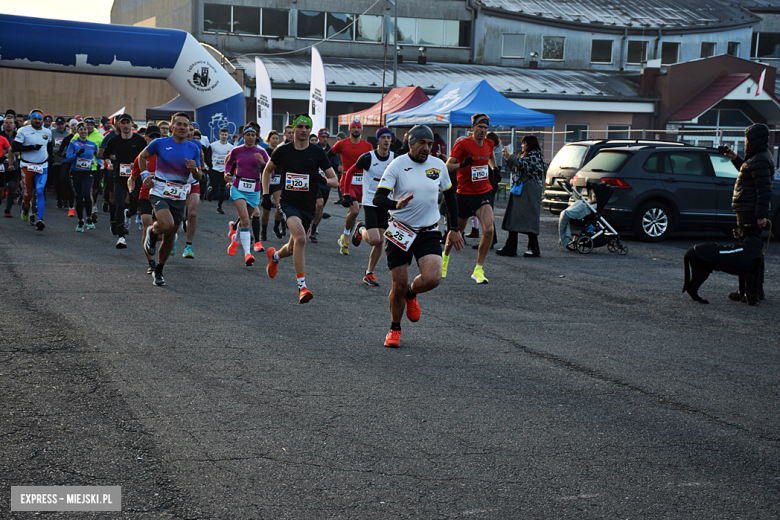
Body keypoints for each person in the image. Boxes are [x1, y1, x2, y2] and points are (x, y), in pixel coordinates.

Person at [372, 125, 463, 348]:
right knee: (398, 284)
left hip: (428, 230)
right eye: (422, 143)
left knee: (433, 278)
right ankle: (395, 328)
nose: (426, 148)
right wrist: (397, 204)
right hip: (400, 230)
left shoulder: (438, 165)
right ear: (411, 143)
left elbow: (450, 197)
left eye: (430, 144)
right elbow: (378, 198)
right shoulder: (398, 164)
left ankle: (411, 294)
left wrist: (454, 228)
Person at [261, 114, 338, 303]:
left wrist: (323, 180)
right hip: (288, 202)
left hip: (308, 205)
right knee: (302, 239)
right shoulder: (283, 151)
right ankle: (302, 287)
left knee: (293, 245)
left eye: (307, 127)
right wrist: (265, 195)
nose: (303, 130)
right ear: (293, 129)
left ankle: (276, 256)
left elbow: (335, 181)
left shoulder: (318, 152)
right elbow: (267, 170)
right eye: (300, 126)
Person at [138, 111, 201, 286]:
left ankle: (159, 269)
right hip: (159, 190)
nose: (182, 127)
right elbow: (141, 157)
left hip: (179, 193)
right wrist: (144, 175)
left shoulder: (193, 148)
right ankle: (152, 231)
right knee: (165, 225)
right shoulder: (160, 143)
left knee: (171, 236)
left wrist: (194, 169)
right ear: (172, 127)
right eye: (179, 124)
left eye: (185, 125)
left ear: (189, 128)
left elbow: (199, 176)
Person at [721, 123, 774, 302]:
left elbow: (764, 189)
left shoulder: (759, 159)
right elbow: (749, 174)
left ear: (753, 140)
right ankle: (754, 290)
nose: (745, 142)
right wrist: (735, 158)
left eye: (746, 139)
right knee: (754, 251)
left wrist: (760, 215)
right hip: (749, 210)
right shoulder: (758, 157)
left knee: (747, 252)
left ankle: (749, 292)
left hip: (750, 212)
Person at [442, 113, 496, 284]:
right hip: (464, 194)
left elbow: (491, 156)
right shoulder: (463, 144)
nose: (483, 130)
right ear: (472, 128)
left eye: (486, 128)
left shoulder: (489, 143)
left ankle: (478, 270)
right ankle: (444, 258)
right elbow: (448, 166)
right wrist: (463, 164)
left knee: (489, 230)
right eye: (480, 127)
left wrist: (494, 170)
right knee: (455, 233)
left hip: (482, 193)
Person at [348, 127, 395, 286]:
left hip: (386, 202)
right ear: (378, 140)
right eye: (383, 138)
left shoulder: (395, 159)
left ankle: (369, 273)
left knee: (381, 241)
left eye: (389, 138)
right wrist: (346, 193)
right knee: (374, 240)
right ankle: (361, 228)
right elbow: (349, 173)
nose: (387, 141)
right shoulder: (368, 158)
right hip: (370, 201)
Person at [224, 127, 269, 266]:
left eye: (253, 135)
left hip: (254, 189)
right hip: (238, 186)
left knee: (246, 220)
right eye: (247, 135)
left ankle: (235, 240)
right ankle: (247, 254)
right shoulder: (236, 150)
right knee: (244, 219)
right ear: (243, 137)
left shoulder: (261, 151)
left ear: (256, 137)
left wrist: (262, 163)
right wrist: (226, 174)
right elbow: (229, 163)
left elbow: (270, 172)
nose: (250, 137)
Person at [102, 113, 147, 249]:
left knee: (134, 204)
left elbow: (146, 156)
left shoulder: (139, 140)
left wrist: (138, 164)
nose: (126, 126)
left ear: (132, 124)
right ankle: (121, 237)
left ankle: (130, 213)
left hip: (135, 178)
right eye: (123, 123)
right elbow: (105, 154)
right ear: (119, 125)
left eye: (128, 123)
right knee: (119, 205)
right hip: (119, 178)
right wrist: (109, 162)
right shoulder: (114, 140)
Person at [328, 120, 373, 254]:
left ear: (361, 130)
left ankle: (344, 239)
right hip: (347, 181)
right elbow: (327, 156)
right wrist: (326, 170)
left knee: (353, 212)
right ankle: (346, 235)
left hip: (362, 183)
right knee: (354, 211)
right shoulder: (341, 144)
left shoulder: (368, 145)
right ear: (350, 130)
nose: (356, 130)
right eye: (353, 128)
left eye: (358, 128)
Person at [499, 135, 546, 257]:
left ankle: (532, 249)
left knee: (528, 218)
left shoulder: (535, 155)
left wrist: (511, 156)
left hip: (529, 190)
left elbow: (524, 166)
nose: (522, 145)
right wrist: (508, 159)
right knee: (515, 217)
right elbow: (516, 169)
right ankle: (511, 247)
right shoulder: (524, 155)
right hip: (521, 189)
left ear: (529, 144)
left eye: (524, 143)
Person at [129, 125, 162, 274]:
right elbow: (132, 178)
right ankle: (151, 262)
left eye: (157, 137)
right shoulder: (142, 157)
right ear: (146, 138)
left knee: (162, 231)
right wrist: (131, 191)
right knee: (147, 227)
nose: (154, 139)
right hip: (145, 196)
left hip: (163, 196)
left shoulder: (165, 155)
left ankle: (157, 241)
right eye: (152, 137)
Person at [13, 110, 53, 230]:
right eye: (35, 119)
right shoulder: (23, 131)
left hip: (42, 166)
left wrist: (49, 159)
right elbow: (15, 147)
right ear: (31, 120)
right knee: (27, 194)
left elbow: (49, 147)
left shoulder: (47, 132)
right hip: (27, 165)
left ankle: (40, 218)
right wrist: (32, 147)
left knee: (40, 192)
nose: (37, 121)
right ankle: (26, 207)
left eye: (40, 119)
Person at [65, 122, 98, 232]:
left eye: (85, 130)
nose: (83, 132)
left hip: (87, 173)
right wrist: (77, 154)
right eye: (81, 130)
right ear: (78, 132)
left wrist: (101, 163)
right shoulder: (73, 144)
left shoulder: (92, 144)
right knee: (79, 196)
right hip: (75, 173)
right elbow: (68, 159)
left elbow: (99, 156)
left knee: (86, 193)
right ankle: (80, 220)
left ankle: (88, 218)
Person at [309, 128, 336, 243]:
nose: (325, 139)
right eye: (323, 137)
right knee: (318, 204)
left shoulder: (332, 150)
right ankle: (312, 229)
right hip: (315, 182)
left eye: (327, 137)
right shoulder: (314, 149)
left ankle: (314, 227)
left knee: (321, 207)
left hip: (326, 183)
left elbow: (335, 165)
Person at [260, 129, 282, 240]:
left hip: (278, 182)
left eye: (277, 139)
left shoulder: (281, 151)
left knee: (280, 206)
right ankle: (263, 231)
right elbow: (262, 168)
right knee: (266, 209)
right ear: (269, 140)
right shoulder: (264, 151)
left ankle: (276, 227)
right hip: (266, 182)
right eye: (273, 138)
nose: (275, 140)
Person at [209, 127, 234, 214]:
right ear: (219, 135)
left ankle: (219, 207)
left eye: (225, 135)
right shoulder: (213, 145)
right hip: (215, 169)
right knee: (215, 189)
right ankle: (210, 192)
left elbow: (233, 159)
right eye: (222, 135)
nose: (224, 136)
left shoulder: (231, 147)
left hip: (224, 170)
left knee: (223, 189)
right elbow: (209, 155)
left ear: (228, 136)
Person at [2, 113, 18, 218]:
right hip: (2, 166)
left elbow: (21, 149)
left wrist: (17, 152)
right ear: (3, 125)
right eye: (6, 123)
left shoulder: (18, 136)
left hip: (14, 166)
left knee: (12, 187)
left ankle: (8, 210)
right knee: (3, 186)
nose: (8, 125)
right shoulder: (0, 135)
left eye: (10, 123)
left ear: (14, 125)